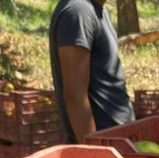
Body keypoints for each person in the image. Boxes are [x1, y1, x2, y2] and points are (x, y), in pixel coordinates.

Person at [49, 0, 135, 144]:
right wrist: (94, 151)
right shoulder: (78, 12)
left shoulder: (98, 11)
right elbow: (75, 96)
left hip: (118, 143)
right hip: (104, 146)